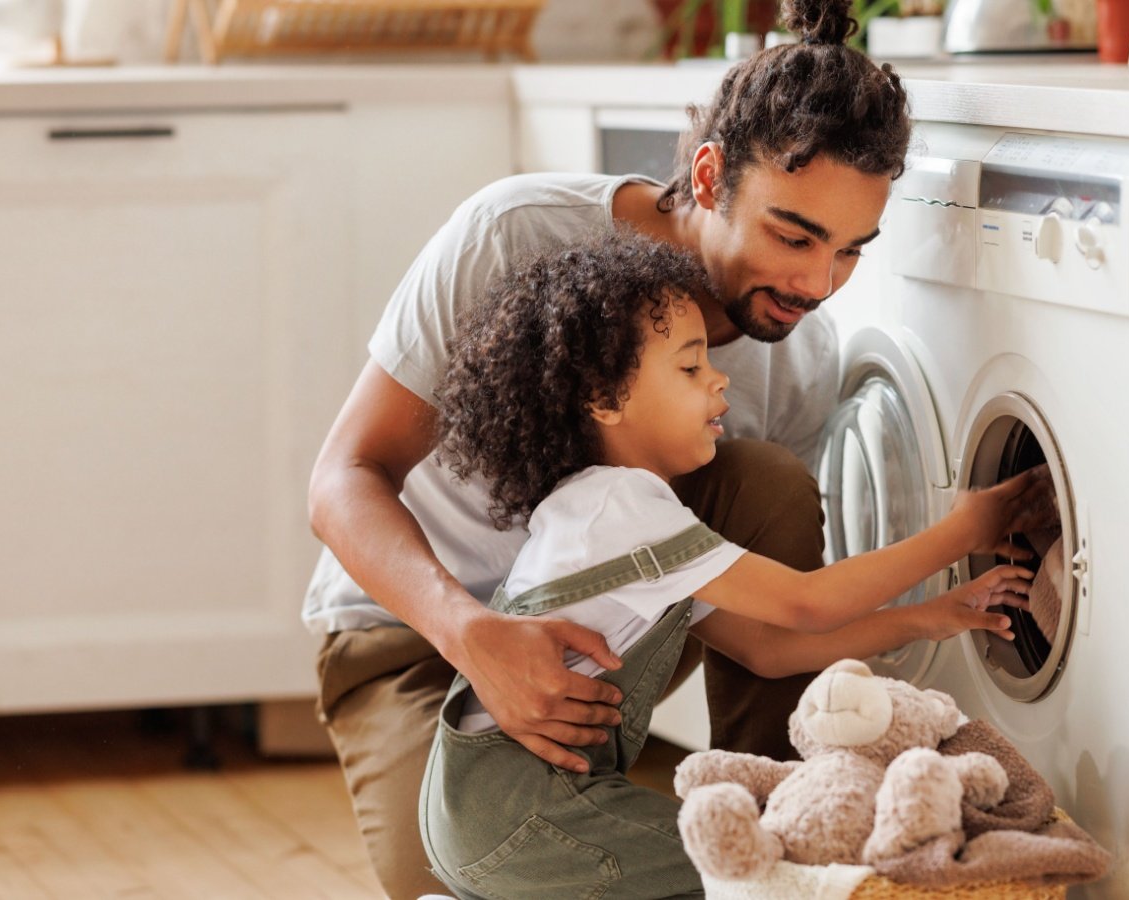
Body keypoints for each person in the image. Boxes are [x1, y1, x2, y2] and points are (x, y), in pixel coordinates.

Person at [308, 1, 931, 895]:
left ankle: (776, 835)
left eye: (850, 252)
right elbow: (342, 479)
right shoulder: (515, 234)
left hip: (603, 639)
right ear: (710, 175)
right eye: (793, 235)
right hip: (410, 635)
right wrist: (472, 634)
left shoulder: (796, 361)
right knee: (475, 879)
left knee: (769, 483)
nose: (816, 284)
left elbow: (767, 625)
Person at [420, 229, 1047, 900]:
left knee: (743, 863)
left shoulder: (607, 513)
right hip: (523, 813)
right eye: (689, 368)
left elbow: (770, 651)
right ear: (605, 400)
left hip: (483, 810)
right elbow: (808, 602)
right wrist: (965, 529)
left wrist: (928, 619)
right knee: (762, 867)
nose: (718, 377)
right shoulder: (621, 507)